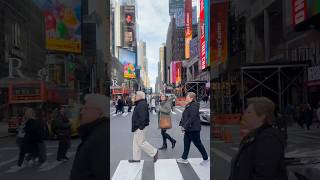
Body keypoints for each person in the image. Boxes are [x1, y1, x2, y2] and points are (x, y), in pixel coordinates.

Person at [229, 97, 287, 180]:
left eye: (249, 112)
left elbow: (264, 175)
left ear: (261, 117)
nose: (244, 115)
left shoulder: (269, 139)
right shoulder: (252, 136)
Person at [70, 94, 108, 180]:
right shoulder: (95, 132)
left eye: (86, 108)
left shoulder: (101, 137)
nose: (81, 112)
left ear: (99, 111)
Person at [177, 92, 209, 166]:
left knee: (198, 144)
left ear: (191, 98)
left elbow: (192, 117)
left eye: (187, 97)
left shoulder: (194, 105)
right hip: (189, 129)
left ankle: (206, 159)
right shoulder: (189, 105)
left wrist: (185, 126)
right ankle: (184, 158)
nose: (186, 98)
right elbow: (185, 116)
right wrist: (182, 125)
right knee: (186, 143)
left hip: (194, 129)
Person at [129, 91, 158, 163]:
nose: (135, 96)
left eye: (136, 95)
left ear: (140, 96)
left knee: (141, 143)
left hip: (140, 127)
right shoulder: (140, 103)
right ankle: (136, 158)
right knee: (136, 144)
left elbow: (143, 117)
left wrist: (140, 127)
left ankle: (154, 152)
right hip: (138, 127)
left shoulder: (142, 104)